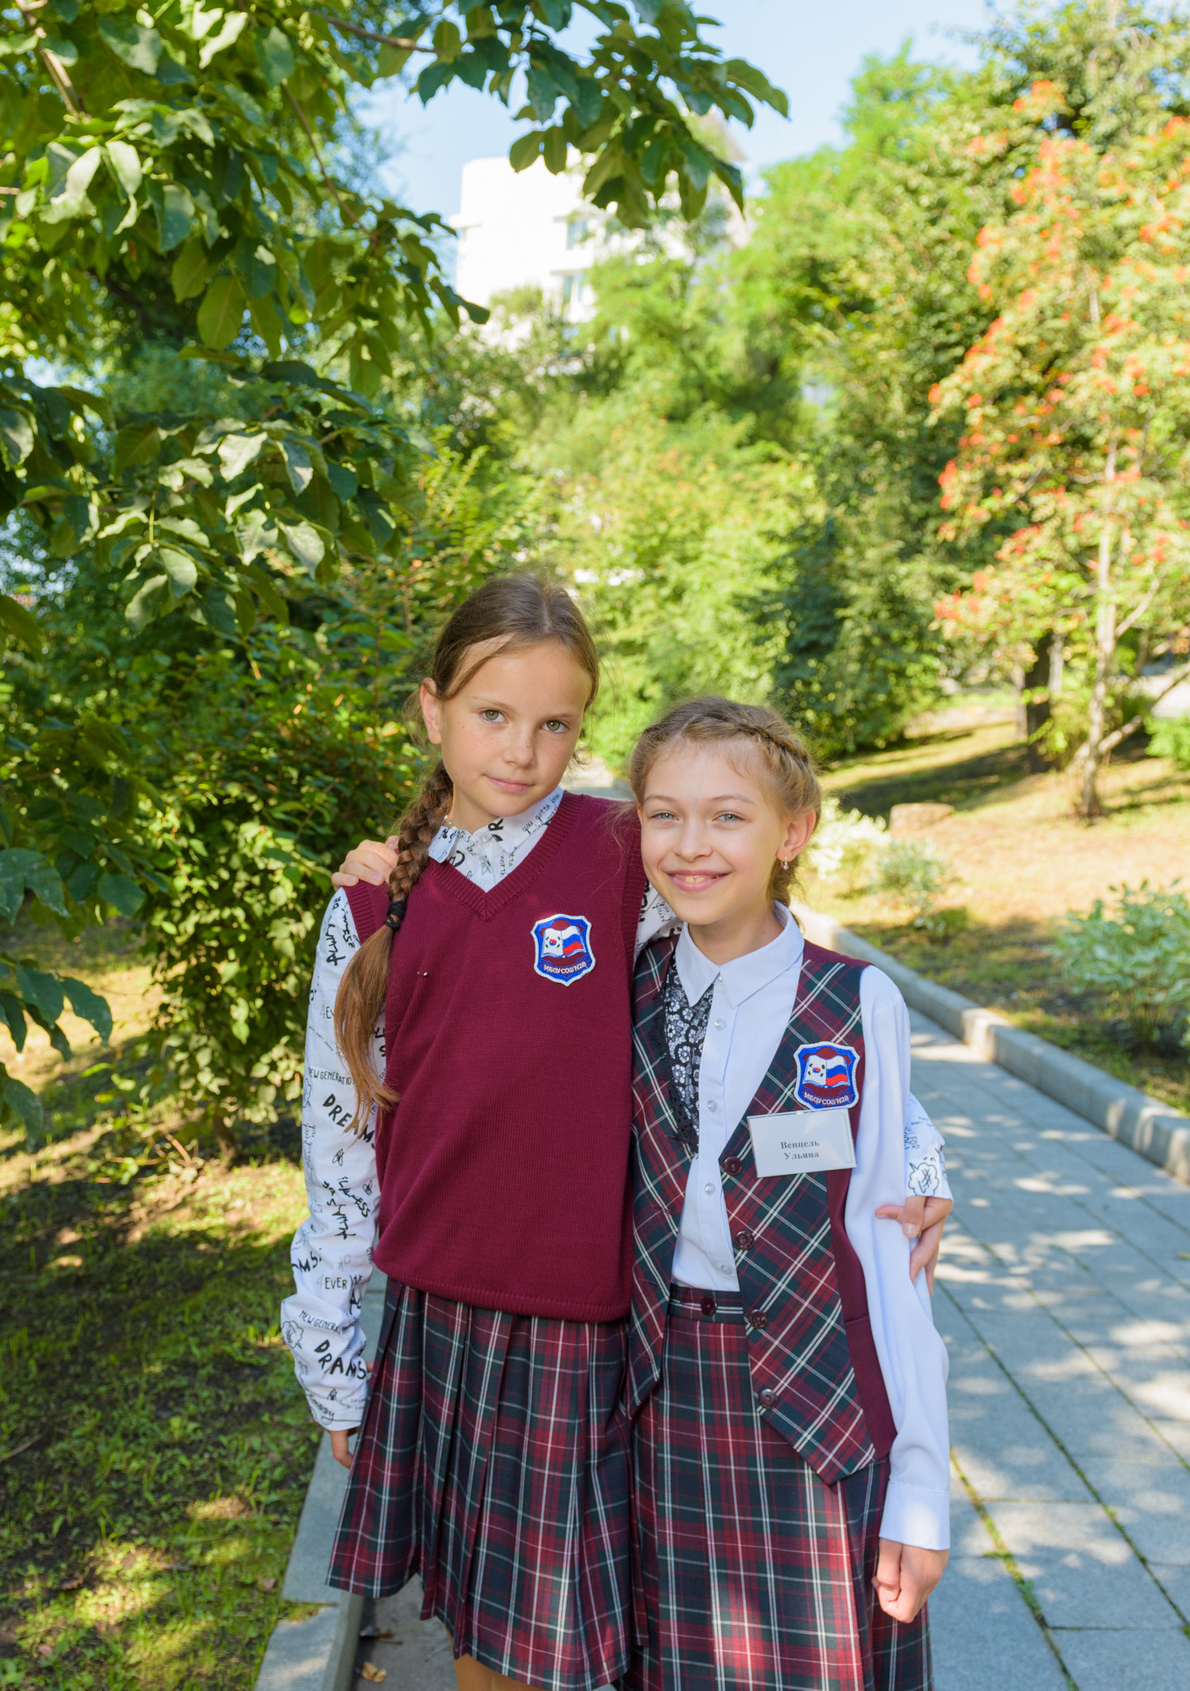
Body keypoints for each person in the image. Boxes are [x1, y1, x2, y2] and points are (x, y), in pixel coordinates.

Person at [282, 573, 655, 1691]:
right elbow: (338, 1139)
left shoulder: (626, 851)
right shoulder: (372, 902)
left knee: (619, 1629)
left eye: (557, 724)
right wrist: (334, 1354)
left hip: (609, 1315)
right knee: (494, 1644)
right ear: (431, 709)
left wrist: (907, 1144)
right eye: (494, 714)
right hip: (448, 1324)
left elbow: (773, 985)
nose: (524, 750)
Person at [622, 697, 949, 1690]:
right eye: (662, 814)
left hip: (819, 1410)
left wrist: (920, 1493)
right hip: (653, 1401)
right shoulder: (623, 981)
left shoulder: (856, 1000)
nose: (690, 845)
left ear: (791, 832)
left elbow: (890, 1245)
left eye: (728, 815)